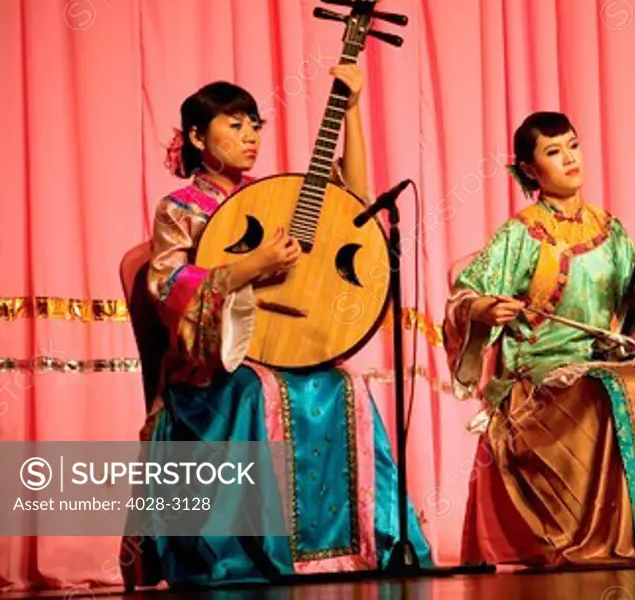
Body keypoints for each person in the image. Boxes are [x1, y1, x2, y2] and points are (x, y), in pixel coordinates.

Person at [127, 65, 430, 587]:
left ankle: (356, 548)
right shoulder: (179, 208)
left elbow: (354, 205)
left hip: (286, 344)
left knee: (347, 384)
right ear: (198, 137)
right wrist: (250, 265)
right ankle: (256, 555)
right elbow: (167, 284)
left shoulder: (275, 197)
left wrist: (351, 109)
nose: (250, 137)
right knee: (256, 390)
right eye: (235, 125)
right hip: (214, 366)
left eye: (255, 125)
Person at [444, 111, 635, 566]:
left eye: (572, 145)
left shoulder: (610, 230)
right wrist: (484, 309)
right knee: (611, 389)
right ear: (530, 170)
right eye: (553, 152)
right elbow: (463, 295)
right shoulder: (521, 232)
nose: (569, 158)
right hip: (538, 378)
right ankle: (613, 535)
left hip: (602, 360)